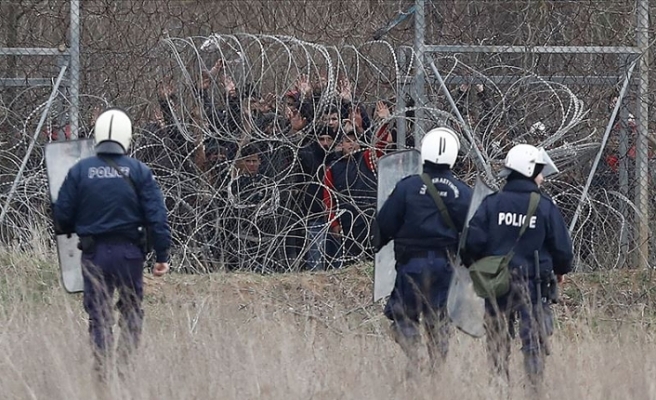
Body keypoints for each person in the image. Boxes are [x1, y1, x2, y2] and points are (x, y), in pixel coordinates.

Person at [53, 107, 171, 379]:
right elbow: (157, 217)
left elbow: (62, 215)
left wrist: (76, 227)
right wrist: (161, 255)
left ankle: (103, 370)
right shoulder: (139, 171)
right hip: (130, 255)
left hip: (94, 254)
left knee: (99, 315)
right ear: (126, 136)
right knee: (131, 310)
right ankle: (124, 368)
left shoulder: (80, 170)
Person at [464, 143, 573, 392]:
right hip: (534, 285)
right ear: (528, 170)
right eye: (539, 171)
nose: (543, 177)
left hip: (497, 283)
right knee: (534, 340)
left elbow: (472, 243)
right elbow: (563, 251)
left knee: (497, 337)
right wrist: (560, 270)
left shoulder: (492, 203)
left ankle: (498, 386)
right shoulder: (545, 207)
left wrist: (481, 268)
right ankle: (534, 389)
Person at [375, 127, 473, 376]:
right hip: (446, 267)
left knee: (402, 317)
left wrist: (377, 243)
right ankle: (436, 371)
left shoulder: (407, 187)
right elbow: (475, 234)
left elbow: (384, 225)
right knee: (439, 321)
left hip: (411, 265)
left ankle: (414, 353)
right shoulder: (463, 192)